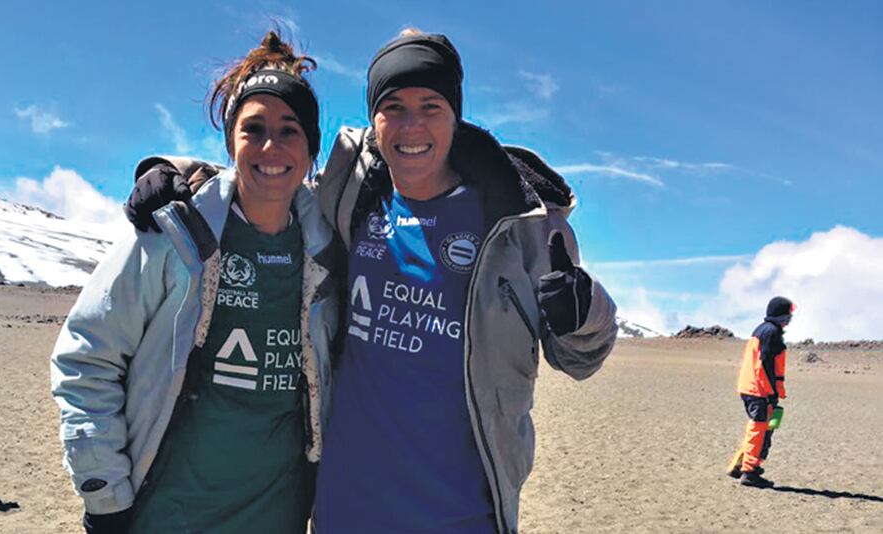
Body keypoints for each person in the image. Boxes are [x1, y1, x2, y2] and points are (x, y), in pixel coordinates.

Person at [125, 29, 618, 534]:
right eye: (393, 106)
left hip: (465, 515)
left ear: (455, 113)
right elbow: (270, 180)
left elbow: (581, 355)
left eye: (430, 105)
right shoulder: (353, 195)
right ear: (373, 118)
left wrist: (585, 313)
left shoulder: (522, 224)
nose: (411, 126)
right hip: (346, 509)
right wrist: (179, 174)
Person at [50, 31, 340, 533]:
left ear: (311, 149)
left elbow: (400, 143)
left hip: (277, 516)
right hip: (163, 515)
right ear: (231, 142)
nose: (272, 145)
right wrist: (104, 494)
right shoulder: (173, 235)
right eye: (254, 129)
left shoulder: (328, 252)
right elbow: (87, 357)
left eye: (290, 130)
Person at [726, 296, 795, 488]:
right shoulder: (771, 332)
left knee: (758, 429)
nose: (790, 319)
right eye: (788, 315)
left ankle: (741, 465)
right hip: (759, 391)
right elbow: (763, 366)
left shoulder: (762, 329)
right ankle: (749, 472)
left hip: (751, 388)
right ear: (781, 315)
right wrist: (770, 392)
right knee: (759, 430)